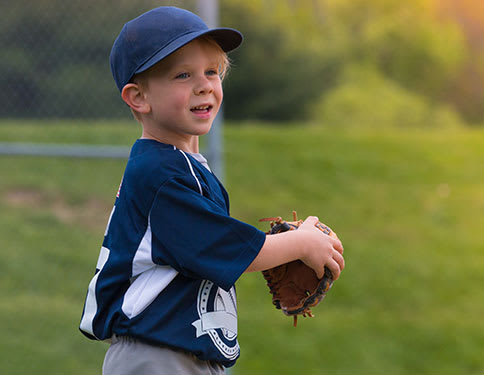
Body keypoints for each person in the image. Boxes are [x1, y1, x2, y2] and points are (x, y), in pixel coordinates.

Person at [79, 6, 344, 375]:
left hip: (183, 355)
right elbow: (222, 246)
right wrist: (301, 244)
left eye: (211, 71)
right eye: (183, 74)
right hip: (155, 356)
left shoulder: (182, 167)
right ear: (139, 97)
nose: (204, 84)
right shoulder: (160, 173)